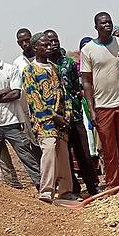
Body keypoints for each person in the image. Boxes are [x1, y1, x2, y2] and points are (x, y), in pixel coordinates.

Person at [81, 12, 119, 188]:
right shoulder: (88, 50)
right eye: (103, 23)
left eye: (109, 22)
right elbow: (86, 82)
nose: (107, 25)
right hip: (102, 106)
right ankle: (112, 184)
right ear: (96, 27)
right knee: (108, 148)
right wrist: (91, 109)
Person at [0, 40, 41, 187]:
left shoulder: (11, 69)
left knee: (27, 157)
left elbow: (15, 94)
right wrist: (4, 91)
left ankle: (41, 186)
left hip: (12, 121)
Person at [22, 32, 77, 204]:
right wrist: (54, 117)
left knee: (63, 155)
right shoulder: (29, 70)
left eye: (49, 45)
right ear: (35, 48)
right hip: (44, 122)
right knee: (49, 153)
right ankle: (46, 191)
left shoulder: (54, 68)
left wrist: (67, 114)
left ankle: (66, 190)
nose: (48, 47)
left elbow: (65, 92)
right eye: (44, 45)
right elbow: (34, 98)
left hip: (61, 120)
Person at [45, 30, 100, 196]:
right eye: (49, 42)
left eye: (55, 40)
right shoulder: (44, 67)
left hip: (74, 115)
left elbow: (79, 86)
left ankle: (93, 185)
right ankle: (73, 188)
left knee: (83, 152)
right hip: (57, 119)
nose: (53, 44)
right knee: (65, 157)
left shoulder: (69, 63)